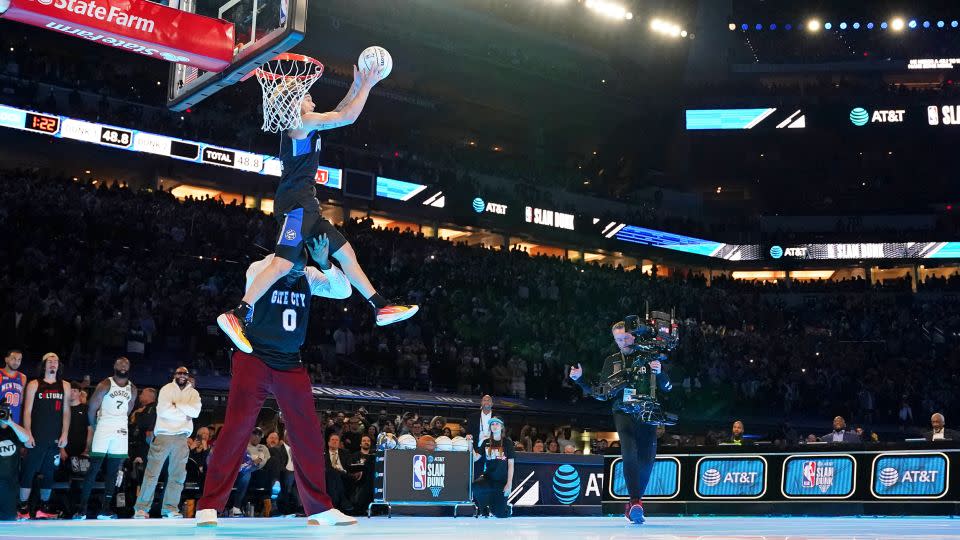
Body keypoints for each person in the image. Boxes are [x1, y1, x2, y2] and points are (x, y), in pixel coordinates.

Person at [217, 63, 417, 354]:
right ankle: (239, 313)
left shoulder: (305, 123)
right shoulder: (300, 124)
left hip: (307, 205)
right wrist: (369, 86)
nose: (313, 100)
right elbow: (346, 117)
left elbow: (340, 109)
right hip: (296, 205)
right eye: (308, 96)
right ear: (294, 102)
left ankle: (380, 306)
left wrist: (357, 82)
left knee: (346, 254)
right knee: (283, 264)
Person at [197, 236, 356, 527]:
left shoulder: (306, 274)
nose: (296, 274)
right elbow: (269, 271)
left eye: (302, 268)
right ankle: (209, 505)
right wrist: (283, 257)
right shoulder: (260, 269)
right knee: (236, 429)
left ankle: (319, 509)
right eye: (291, 268)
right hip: (254, 356)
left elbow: (343, 291)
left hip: (289, 362)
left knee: (307, 433)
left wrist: (324, 263)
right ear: (281, 260)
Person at [570, 320, 674, 525]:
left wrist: (661, 372)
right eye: (618, 339)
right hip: (623, 412)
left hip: (647, 411)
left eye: (626, 337)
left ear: (634, 335)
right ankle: (636, 503)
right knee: (629, 453)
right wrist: (580, 380)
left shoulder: (649, 356)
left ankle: (634, 503)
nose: (622, 342)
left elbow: (668, 387)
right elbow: (601, 393)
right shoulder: (611, 361)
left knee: (647, 459)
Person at [133, 367, 201, 519]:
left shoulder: (194, 393)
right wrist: (185, 412)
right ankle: (141, 509)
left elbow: (195, 412)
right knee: (152, 473)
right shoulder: (166, 389)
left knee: (177, 476)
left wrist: (176, 405)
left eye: (185, 373)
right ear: (175, 375)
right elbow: (163, 411)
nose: (182, 375)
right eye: (179, 373)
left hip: (182, 437)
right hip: (163, 435)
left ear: (188, 376)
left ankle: (170, 509)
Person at [74, 356, 136, 520]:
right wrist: (96, 427)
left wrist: (118, 423)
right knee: (93, 469)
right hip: (103, 427)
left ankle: (105, 509)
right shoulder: (105, 384)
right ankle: (82, 509)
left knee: (113, 472)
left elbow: (128, 410)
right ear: (114, 366)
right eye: (120, 363)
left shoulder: (133, 389)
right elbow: (91, 410)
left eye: (126, 363)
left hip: (121, 430)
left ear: (129, 367)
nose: (123, 365)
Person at [19, 352, 71, 521]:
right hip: (36, 435)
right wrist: (27, 432)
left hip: (54, 437)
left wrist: (65, 434)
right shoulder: (34, 384)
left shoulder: (65, 385)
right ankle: (23, 508)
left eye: (56, 360)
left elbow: (66, 412)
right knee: (29, 471)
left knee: (49, 473)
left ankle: (43, 507)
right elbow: (26, 411)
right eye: (49, 361)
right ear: (44, 365)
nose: (53, 363)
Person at [471, 417, 515, 518]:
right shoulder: (486, 442)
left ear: (501, 427)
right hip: (488, 478)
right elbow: (475, 458)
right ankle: (484, 508)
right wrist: (470, 443)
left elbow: (511, 465)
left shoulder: (508, 443)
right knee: (476, 486)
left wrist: (509, 483)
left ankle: (507, 508)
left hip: (501, 482)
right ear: (490, 427)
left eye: (497, 424)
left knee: (500, 514)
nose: (494, 426)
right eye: (492, 424)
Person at [0, 404, 32, 521]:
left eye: (5, 411)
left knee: (8, 518)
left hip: (10, 484)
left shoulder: (14, 431)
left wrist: (10, 422)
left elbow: (26, 438)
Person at [1, 349, 26, 424]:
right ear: (6, 359)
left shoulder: (22, 377)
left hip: (15, 420)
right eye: (13, 359)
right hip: (1, 418)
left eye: (19, 360)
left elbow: (20, 400)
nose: (16, 362)